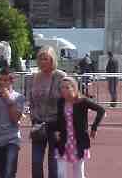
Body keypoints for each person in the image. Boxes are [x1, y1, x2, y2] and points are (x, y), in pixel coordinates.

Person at [50, 76, 105, 178]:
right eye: (62, 88)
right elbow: (58, 118)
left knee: (78, 172)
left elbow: (101, 110)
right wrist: (56, 130)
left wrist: (94, 128)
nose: (64, 90)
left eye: (67, 87)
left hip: (79, 140)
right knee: (61, 173)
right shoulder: (60, 102)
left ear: (74, 88)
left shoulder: (82, 101)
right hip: (63, 140)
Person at [28, 46, 67, 178]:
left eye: (46, 59)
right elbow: (31, 100)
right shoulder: (34, 77)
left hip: (56, 124)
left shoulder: (60, 76)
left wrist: (63, 128)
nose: (43, 62)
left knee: (53, 163)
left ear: (52, 60)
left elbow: (67, 102)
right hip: (38, 124)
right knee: (36, 162)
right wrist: (33, 117)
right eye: (40, 59)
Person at [0, 69, 24, 178]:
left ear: (12, 82)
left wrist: (9, 100)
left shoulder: (19, 98)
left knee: (9, 172)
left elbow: (15, 119)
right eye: (0, 80)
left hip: (12, 140)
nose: (2, 83)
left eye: (5, 80)